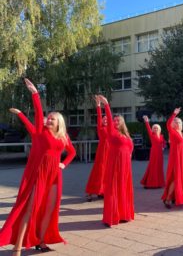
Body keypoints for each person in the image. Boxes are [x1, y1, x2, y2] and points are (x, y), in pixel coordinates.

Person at [0, 79, 76, 255]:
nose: (49, 120)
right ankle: (17, 247)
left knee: (49, 210)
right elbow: (36, 114)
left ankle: (41, 241)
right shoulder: (41, 132)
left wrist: (63, 164)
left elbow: (72, 152)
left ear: (59, 123)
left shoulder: (63, 137)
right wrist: (35, 93)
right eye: (48, 118)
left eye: (52, 119)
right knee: (30, 209)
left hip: (55, 175)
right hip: (40, 173)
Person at [98, 95, 134, 227]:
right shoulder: (110, 132)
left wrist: (129, 155)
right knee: (113, 188)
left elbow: (130, 146)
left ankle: (123, 214)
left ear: (122, 122)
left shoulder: (126, 134)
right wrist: (106, 105)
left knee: (123, 187)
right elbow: (105, 117)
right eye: (115, 120)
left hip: (125, 165)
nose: (116, 122)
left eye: (118, 120)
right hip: (114, 163)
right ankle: (111, 216)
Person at [161, 107, 183, 209]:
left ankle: (174, 197)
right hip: (175, 158)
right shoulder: (172, 132)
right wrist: (174, 114)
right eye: (175, 122)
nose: (177, 123)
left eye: (179, 122)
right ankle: (168, 198)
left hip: (182, 158)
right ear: (173, 124)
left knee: (179, 178)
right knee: (176, 179)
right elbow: (168, 124)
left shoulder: (181, 133)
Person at [85, 95, 109, 201]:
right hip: (102, 151)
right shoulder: (100, 128)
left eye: (107, 119)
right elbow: (99, 117)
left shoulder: (112, 128)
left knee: (107, 172)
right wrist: (99, 105)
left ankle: (103, 191)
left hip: (110, 151)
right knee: (98, 171)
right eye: (104, 119)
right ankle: (90, 191)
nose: (105, 120)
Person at [140, 115, 165, 188]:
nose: (155, 129)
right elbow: (148, 128)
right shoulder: (152, 135)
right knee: (153, 167)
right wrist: (147, 121)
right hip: (154, 153)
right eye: (154, 128)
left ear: (159, 129)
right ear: (152, 129)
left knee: (159, 167)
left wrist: (163, 146)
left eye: (157, 128)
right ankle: (150, 183)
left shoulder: (161, 136)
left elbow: (163, 142)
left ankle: (159, 183)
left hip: (160, 153)